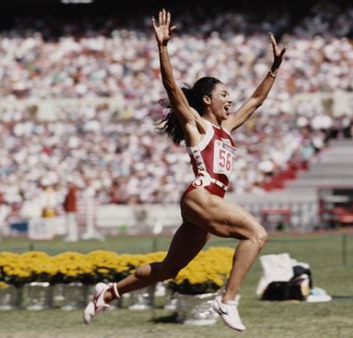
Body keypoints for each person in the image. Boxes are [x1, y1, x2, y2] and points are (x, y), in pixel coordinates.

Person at [83, 9, 286, 332]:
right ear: (207, 100)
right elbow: (171, 87)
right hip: (201, 194)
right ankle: (227, 300)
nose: (231, 101)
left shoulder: (228, 127)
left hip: (205, 203)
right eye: (224, 95)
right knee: (256, 234)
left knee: (169, 269)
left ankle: (108, 292)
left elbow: (256, 100)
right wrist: (162, 48)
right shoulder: (196, 125)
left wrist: (274, 69)